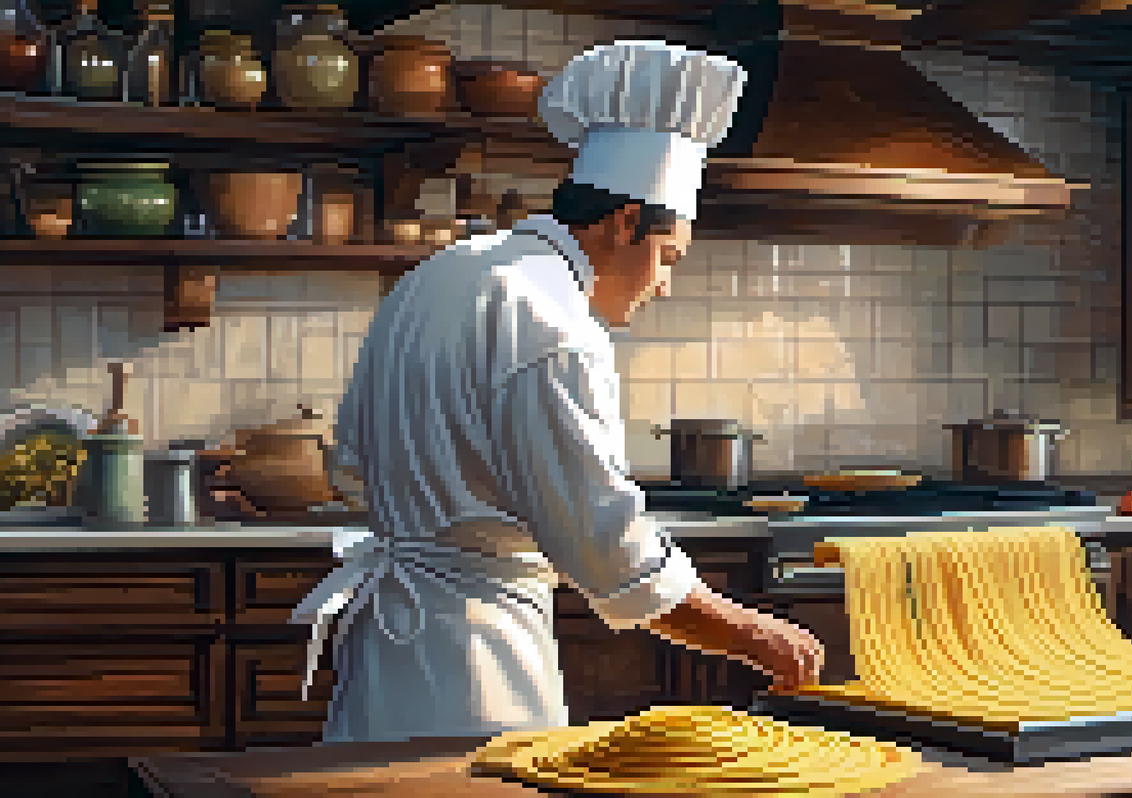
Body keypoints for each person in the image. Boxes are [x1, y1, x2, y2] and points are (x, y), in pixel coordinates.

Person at [291, 41, 824, 745]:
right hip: (475, 672)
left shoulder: (441, 273)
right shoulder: (556, 324)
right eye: (668, 258)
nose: (665, 285)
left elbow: (349, 461)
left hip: (382, 659)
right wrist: (751, 632)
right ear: (627, 220)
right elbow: (610, 552)